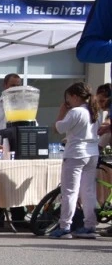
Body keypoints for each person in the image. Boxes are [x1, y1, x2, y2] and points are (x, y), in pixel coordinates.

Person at [48, 82, 101, 240]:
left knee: (69, 192)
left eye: (69, 98)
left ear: (75, 96)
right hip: (92, 153)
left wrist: (62, 112)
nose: (68, 101)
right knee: (88, 191)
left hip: (75, 153)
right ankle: (90, 225)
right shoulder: (94, 111)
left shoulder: (75, 112)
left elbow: (58, 128)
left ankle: (65, 226)